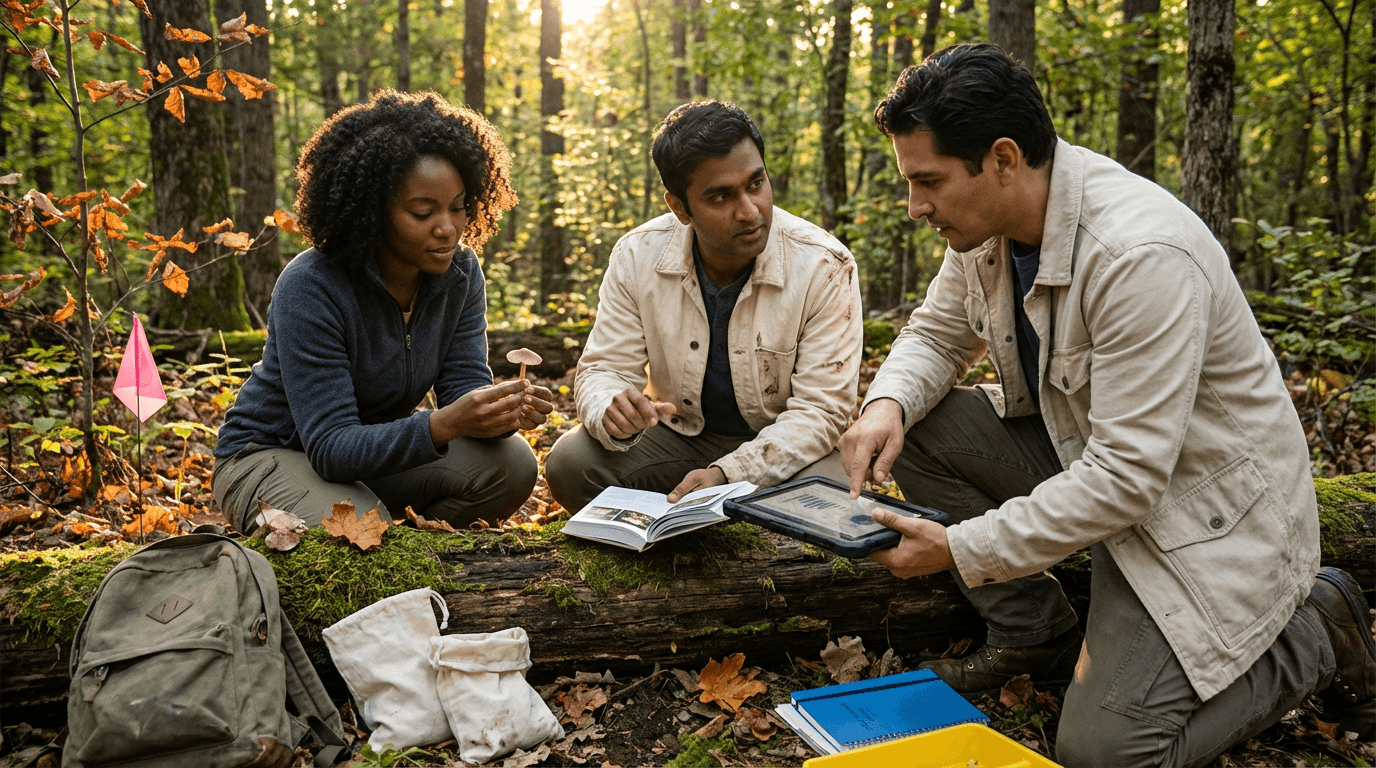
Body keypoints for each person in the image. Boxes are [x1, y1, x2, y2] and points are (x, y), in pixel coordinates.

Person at [839, 43, 1375, 766]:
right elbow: (938, 332)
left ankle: (1315, 631)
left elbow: (1127, 479)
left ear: (1002, 159)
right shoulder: (984, 228)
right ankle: (1035, 634)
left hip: (1195, 518)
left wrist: (962, 550)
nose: (915, 207)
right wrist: (885, 404)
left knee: (1107, 756)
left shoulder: (1137, 255)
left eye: (927, 181)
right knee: (923, 422)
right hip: (1087, 466)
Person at [212, 90, 553, 532]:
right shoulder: (312, 284)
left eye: (458, 207)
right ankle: (386, 548)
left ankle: (422, 556)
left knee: (510, 464)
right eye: (422, 211)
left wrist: (500, 415)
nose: (448, 228)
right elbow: (332, 446)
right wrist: (441, 424)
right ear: (373, 211)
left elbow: (462, 392)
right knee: (358, 530)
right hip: (269, 455)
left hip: (369, 453)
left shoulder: (461, 274)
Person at [544, 100, 863, 513]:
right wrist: (612, 410)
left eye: (755, 183)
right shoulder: (637, 256)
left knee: (830, 492)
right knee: (572, 463)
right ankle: (682, 532)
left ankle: (739, 534)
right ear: (679, 207)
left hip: (784, 445)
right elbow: (603, 369)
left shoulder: (824, 265)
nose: (750, 212)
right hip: (679, 439)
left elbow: (822, 412)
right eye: (720, 197)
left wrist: (726, 475)